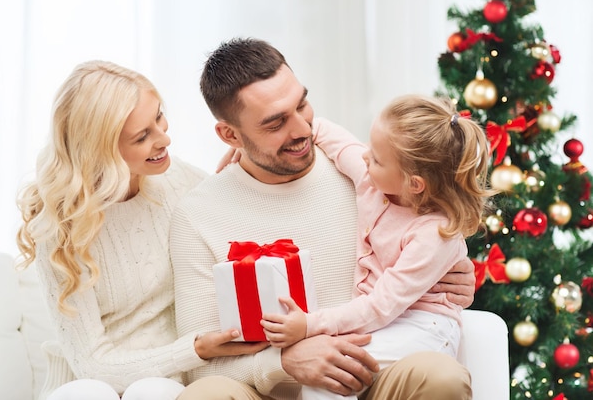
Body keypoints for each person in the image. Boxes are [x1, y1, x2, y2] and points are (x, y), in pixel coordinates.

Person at [172, 38, 476, 400]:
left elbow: (430, 228)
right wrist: (285, 362)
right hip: (267, 390)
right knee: (205, 395)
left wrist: (456, 272)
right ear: (230, 134)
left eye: (302, 104)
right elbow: (198, 362)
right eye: (275, 123)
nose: (302, 130)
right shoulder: (198, 213)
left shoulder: (367, 176)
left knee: (440, 376)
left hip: (369, 372)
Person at [15, 60, 267, 400]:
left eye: (159, 116)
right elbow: (91, 364)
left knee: (151, 392)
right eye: (142, 136)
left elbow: (238, 227)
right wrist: (194, 349)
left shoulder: (176, 180)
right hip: (86, 380)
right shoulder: (60, 227)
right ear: (100, 150)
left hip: (163, 379)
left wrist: (243, 170)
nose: (165, 138)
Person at [259, 94, 493, 399]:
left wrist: (308, 326)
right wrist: (252, 150)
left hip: (426, 329)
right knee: (329, 375)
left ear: (415, 184)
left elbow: (381, 305)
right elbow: (333, 137)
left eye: (377, 158)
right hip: (384, 324)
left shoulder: (435, 234)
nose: (365, 158)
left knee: (328, 374)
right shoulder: (374, 182)